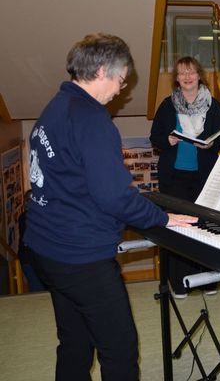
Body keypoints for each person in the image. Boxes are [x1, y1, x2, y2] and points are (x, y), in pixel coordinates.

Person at [24, 33, 197, 381]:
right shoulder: (93, 120)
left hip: (45, 247)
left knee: (74, 341)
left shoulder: (57, 104)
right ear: (102, 71)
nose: (121, 90)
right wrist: (162, 218)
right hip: (80, 257)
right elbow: (114, 198)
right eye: (120, 81)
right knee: (119, 350)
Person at [150, 56, 220, 298]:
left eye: (191, 72)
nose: (187, 77)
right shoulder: (167, 105)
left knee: (204, 227)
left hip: (204, 176)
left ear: (199, 75)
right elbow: (155, 138)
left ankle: (208, 281)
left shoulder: (212, 104)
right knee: (179, 229)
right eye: (182, 73)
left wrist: (211, 144)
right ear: (177, 79)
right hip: (175, 177)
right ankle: (179, 282)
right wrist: (167, 141)